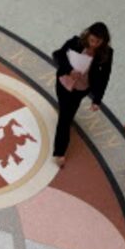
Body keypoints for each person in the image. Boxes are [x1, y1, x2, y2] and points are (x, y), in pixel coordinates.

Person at [51, 22, 113, 167]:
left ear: (104, 41)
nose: (94, 44)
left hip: (81, 88)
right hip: (65, 83)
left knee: (68, 113)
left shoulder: (107, 53)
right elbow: (58, 55)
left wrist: (97, 99)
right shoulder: (75, 42)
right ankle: (60, 151)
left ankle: (61, 145)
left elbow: (105, 76)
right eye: (92, 40)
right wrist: (69, 70)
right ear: (88, 35)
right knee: (65, 118)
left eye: (98, 42)